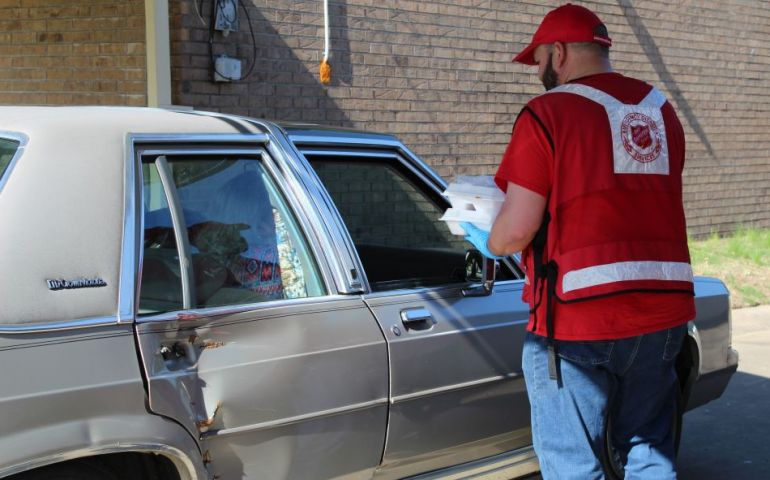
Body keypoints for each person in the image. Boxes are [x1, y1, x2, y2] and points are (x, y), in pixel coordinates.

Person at [461, 3, 696, 479]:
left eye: (539, 61)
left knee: (573, 463)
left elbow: (518, 229)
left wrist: (488, 238)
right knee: (650, 450)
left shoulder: (549, 113)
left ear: (560, 52)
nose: (538, 73)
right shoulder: (660, 110)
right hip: (665, 314)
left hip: (576, 321)